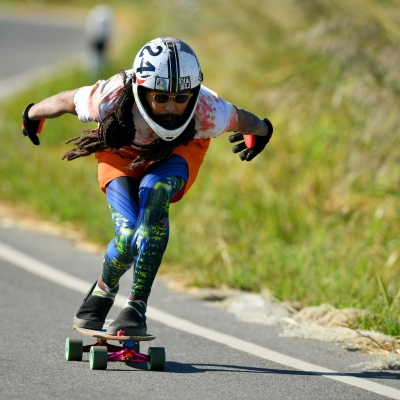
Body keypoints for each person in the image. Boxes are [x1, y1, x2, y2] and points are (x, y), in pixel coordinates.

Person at [21, 37, 273, 336]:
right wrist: (31, 113)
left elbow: (244, 119)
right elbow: (64, 101)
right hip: (120, 151)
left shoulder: (208, 110)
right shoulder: (108, 97)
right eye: (161, 97)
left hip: (181, 150)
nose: (171, 108)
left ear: (193, 94)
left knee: (157, 191)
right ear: (140, 89)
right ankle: (103, 289)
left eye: (181, 98)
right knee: (127, 236)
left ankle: (136, 306)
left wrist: (264, 130)